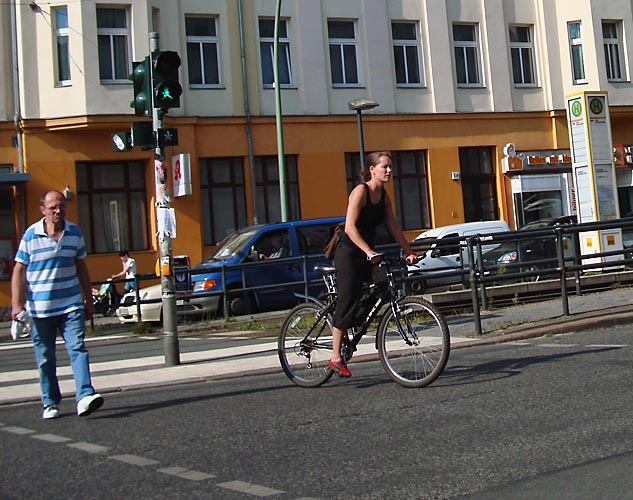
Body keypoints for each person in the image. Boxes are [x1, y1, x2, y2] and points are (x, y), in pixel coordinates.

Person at [11, 190, 104, 419]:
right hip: (40, 308)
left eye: (61, 206)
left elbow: (81, 266)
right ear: (43, 210)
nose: (58, 211)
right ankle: (50, 401)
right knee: (45, 357)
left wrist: (88, 299)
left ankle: (84, 396)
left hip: (70, 304)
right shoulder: (31, 235)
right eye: (52, 207)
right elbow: (19, 269)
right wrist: (16, 304)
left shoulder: (74, 233)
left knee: (77, 348)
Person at [329, 152, 418, 377]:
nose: (389, 171)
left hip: (369, 253)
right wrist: (368, 251)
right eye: (384, 167)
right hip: (349, 251)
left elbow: (393, 226)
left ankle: (357, 319)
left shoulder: (384, 196)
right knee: (347, 298)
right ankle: (335, 356)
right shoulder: (361, 191)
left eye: (390, 167)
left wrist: (408, 251)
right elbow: (349, 227)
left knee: (382, 286)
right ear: (372, 170)